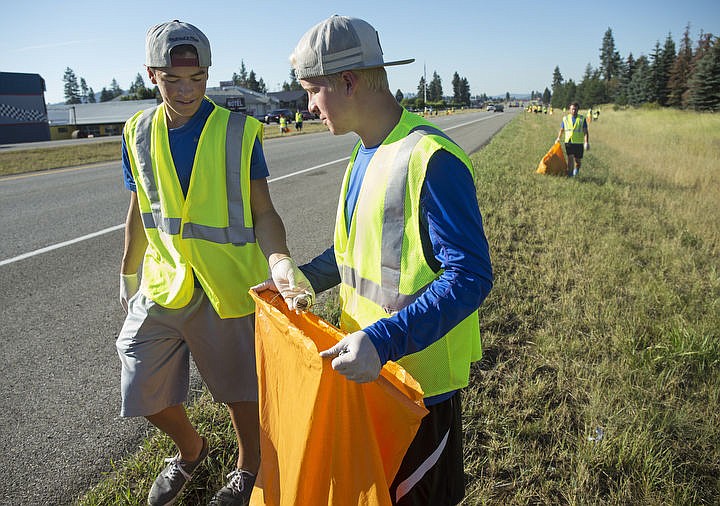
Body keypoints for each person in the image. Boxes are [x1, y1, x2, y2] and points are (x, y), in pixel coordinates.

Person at [263, 15, 493, 505]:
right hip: (372, 375)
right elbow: (350, 256)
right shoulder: (364, 152)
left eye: (312, 90)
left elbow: (471, 276)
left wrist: (383, 338)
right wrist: (299, 277)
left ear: (348, 81)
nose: (307, 106)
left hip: (420, 392)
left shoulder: (431, 157)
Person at [117, 20, 313, 506]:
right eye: (173, 79)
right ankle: (191, 449)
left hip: (227, 285)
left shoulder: (238, 131)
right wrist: (128, 268)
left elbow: (263, 210)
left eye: (197, 78)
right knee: (140, 383)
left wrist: (281, 259)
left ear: (208, 74)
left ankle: (249, 466)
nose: (186, 90)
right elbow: (141, 206)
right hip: (164, 285)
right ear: (151, 74)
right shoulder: (136, 130)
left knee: (237, 391)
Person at [556, 101, 590, 177]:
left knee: (577, 161)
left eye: (575, 109)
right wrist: (558, 138)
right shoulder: (565, 119)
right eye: (572, 109)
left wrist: (586, 142)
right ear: (569, 110)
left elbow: (585, 132)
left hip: (578, 143)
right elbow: (562, 129)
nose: (574, 111)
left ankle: (576, 170)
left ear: (578, 110)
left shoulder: (582, 119)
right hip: (569, 142)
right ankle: (570, 175)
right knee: (570, 158)